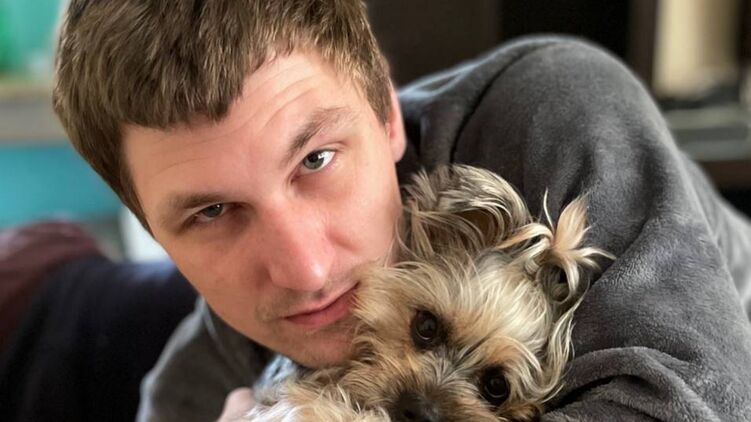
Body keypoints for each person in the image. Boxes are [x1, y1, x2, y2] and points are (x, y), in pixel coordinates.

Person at [51, 1, 751, 421]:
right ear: (151, 233)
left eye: (315, 160)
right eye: (211, 212)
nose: (306, 270)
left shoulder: (557, 112)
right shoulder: (205, 369)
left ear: (388, 114)